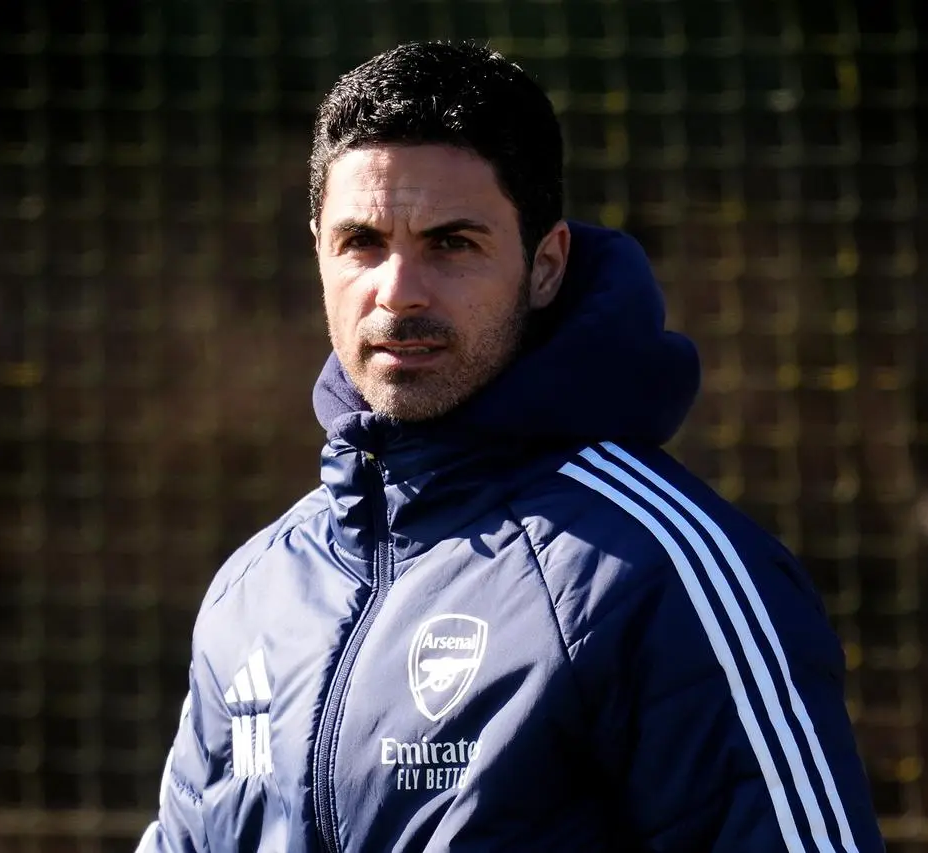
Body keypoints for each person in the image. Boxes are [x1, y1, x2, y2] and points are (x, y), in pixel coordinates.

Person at [137, 41, 886, 852]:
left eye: (451, 243)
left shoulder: (664, 575)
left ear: (545, 265)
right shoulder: (255, 590)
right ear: (317, 248)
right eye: (361, 242)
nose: (397, 291)